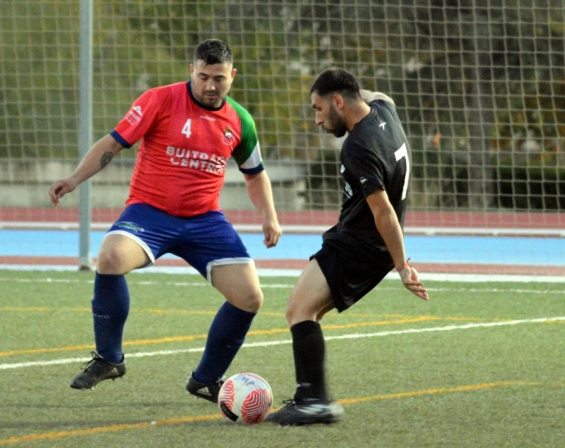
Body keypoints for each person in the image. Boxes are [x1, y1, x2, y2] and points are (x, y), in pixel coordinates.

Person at [48, 39, 281, 403]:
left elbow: (255, 174)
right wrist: (75, 178)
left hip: (204, 221)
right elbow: (113, 143)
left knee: (250, 297)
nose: (209, 86)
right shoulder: (159, 100)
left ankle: (206, 379)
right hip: (150, 213)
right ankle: (109, 357)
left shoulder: (240, 120)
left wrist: (269, 216)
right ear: (191, 71)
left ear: (232, 76)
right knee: (109, 257)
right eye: (202, 76)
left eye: (218, 78)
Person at [266, 68, 428, 426]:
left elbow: (383, 210)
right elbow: (381, 95)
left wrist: (403, 267)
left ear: (338, 102)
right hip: (365, 244)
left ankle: (313, 401)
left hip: (359, 245)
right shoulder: (385, 112)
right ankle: (313, 396)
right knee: (310, 312)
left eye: (319, 108)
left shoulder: (357, 147)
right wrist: (353, 92)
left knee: (298, 311)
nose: (317, 119)